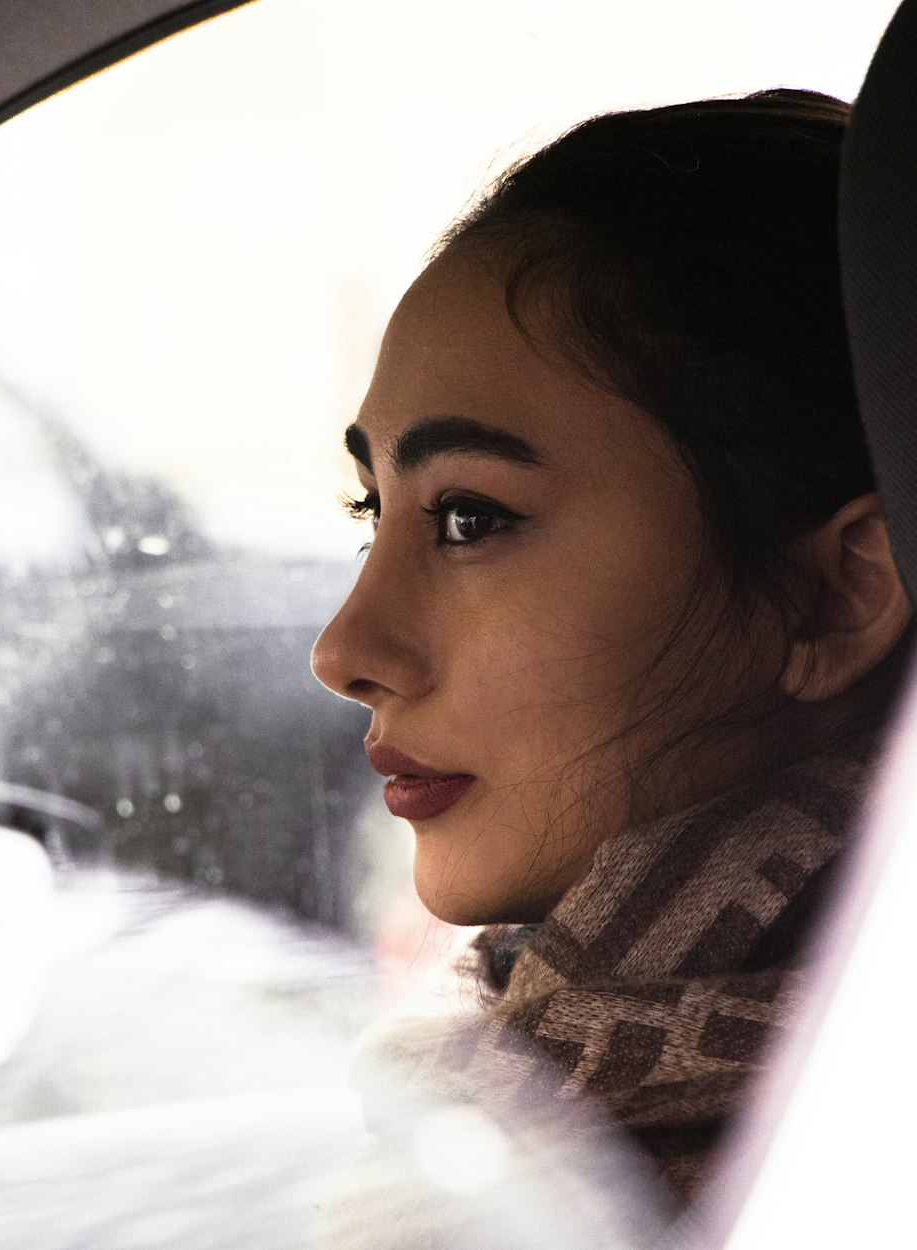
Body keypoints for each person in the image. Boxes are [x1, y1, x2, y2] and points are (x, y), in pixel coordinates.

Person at [310, 88, 915, 1223]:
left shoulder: (830, 1174)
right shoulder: (522, 1098)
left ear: (839, 593)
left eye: (469, 519)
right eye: (369, 507)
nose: (345, 648)